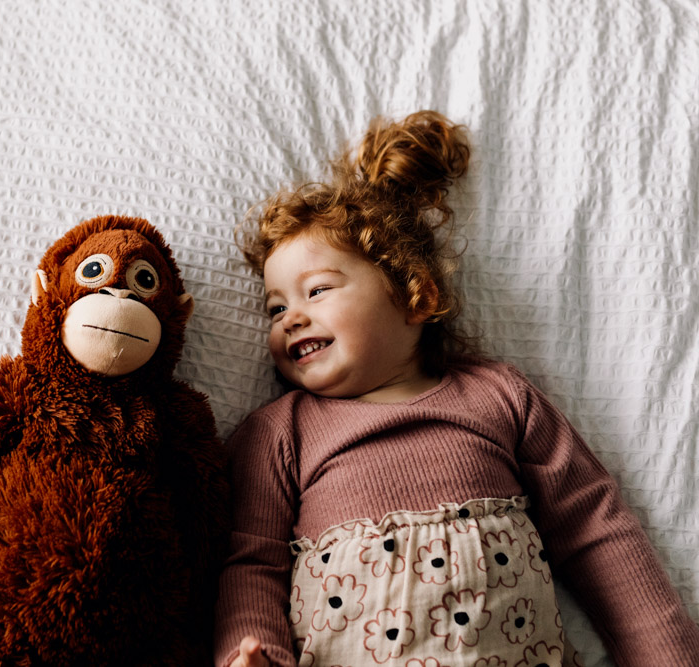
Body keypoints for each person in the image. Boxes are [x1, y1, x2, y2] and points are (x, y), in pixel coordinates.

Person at [213, 111, 699, 667]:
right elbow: (251, 562)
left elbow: (595, 529)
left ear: (415, 295)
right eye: (275, 307)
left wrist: (668, 654)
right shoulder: (282, 431)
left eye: (317, 290)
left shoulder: (496, 396)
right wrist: (252, 654)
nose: (289, 318)